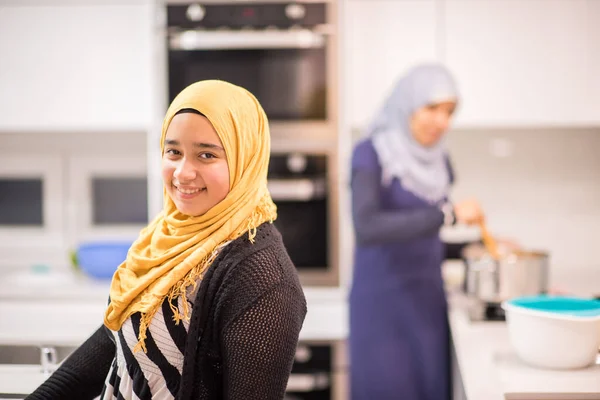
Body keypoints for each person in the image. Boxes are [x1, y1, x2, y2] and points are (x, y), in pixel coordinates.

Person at [26, 80, 307, 400]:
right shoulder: (163, 239)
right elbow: (114, 343)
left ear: (245, 159)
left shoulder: (263, 277)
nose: (183, 172)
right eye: (173, 151)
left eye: (206, 154)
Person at [348, 64, 484, 400]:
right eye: (432, 108)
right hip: (382, 307)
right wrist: (449, 215)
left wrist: (473, 248)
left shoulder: (440, 161)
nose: (443, 122)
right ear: (406, 104)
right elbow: (367, 228)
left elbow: (424, 234)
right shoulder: (370, 153)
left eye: (450, 112)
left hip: (427, 305)